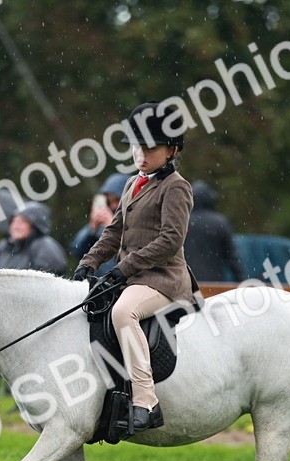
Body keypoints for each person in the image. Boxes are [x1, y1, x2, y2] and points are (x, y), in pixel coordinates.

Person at [73, 101, 201, 433]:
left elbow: (170, 240)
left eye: (150, 148)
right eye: (136, 146)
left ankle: (146, 401)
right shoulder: (132, 183)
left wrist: (124, 268)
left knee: (123, 312)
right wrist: (89, 261)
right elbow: (114, 231)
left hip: (164, 279)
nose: (140, 154)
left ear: (171, 150)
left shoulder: (177, 187)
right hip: (133, 277)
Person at [183, 180, 246, 282]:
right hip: (214, 285)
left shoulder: (183, 221)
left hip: (187, 283)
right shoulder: (220, 223)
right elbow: (233, 259)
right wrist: (242, 283)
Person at [69, 172, 127, 273]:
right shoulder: (101, 224)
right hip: (98, 279)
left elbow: (131, 254)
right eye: (109, 201)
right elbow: (77, 250)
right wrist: (92, 228)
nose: (113, 206)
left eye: (117, 200)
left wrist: (114, 229)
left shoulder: (134, 220)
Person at [0, 202, 66, 274]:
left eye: (22, 222)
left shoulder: (43, 245)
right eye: (14, 221)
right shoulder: (5, 246)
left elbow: (49, 276)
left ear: (35, 226)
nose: (16, 226)